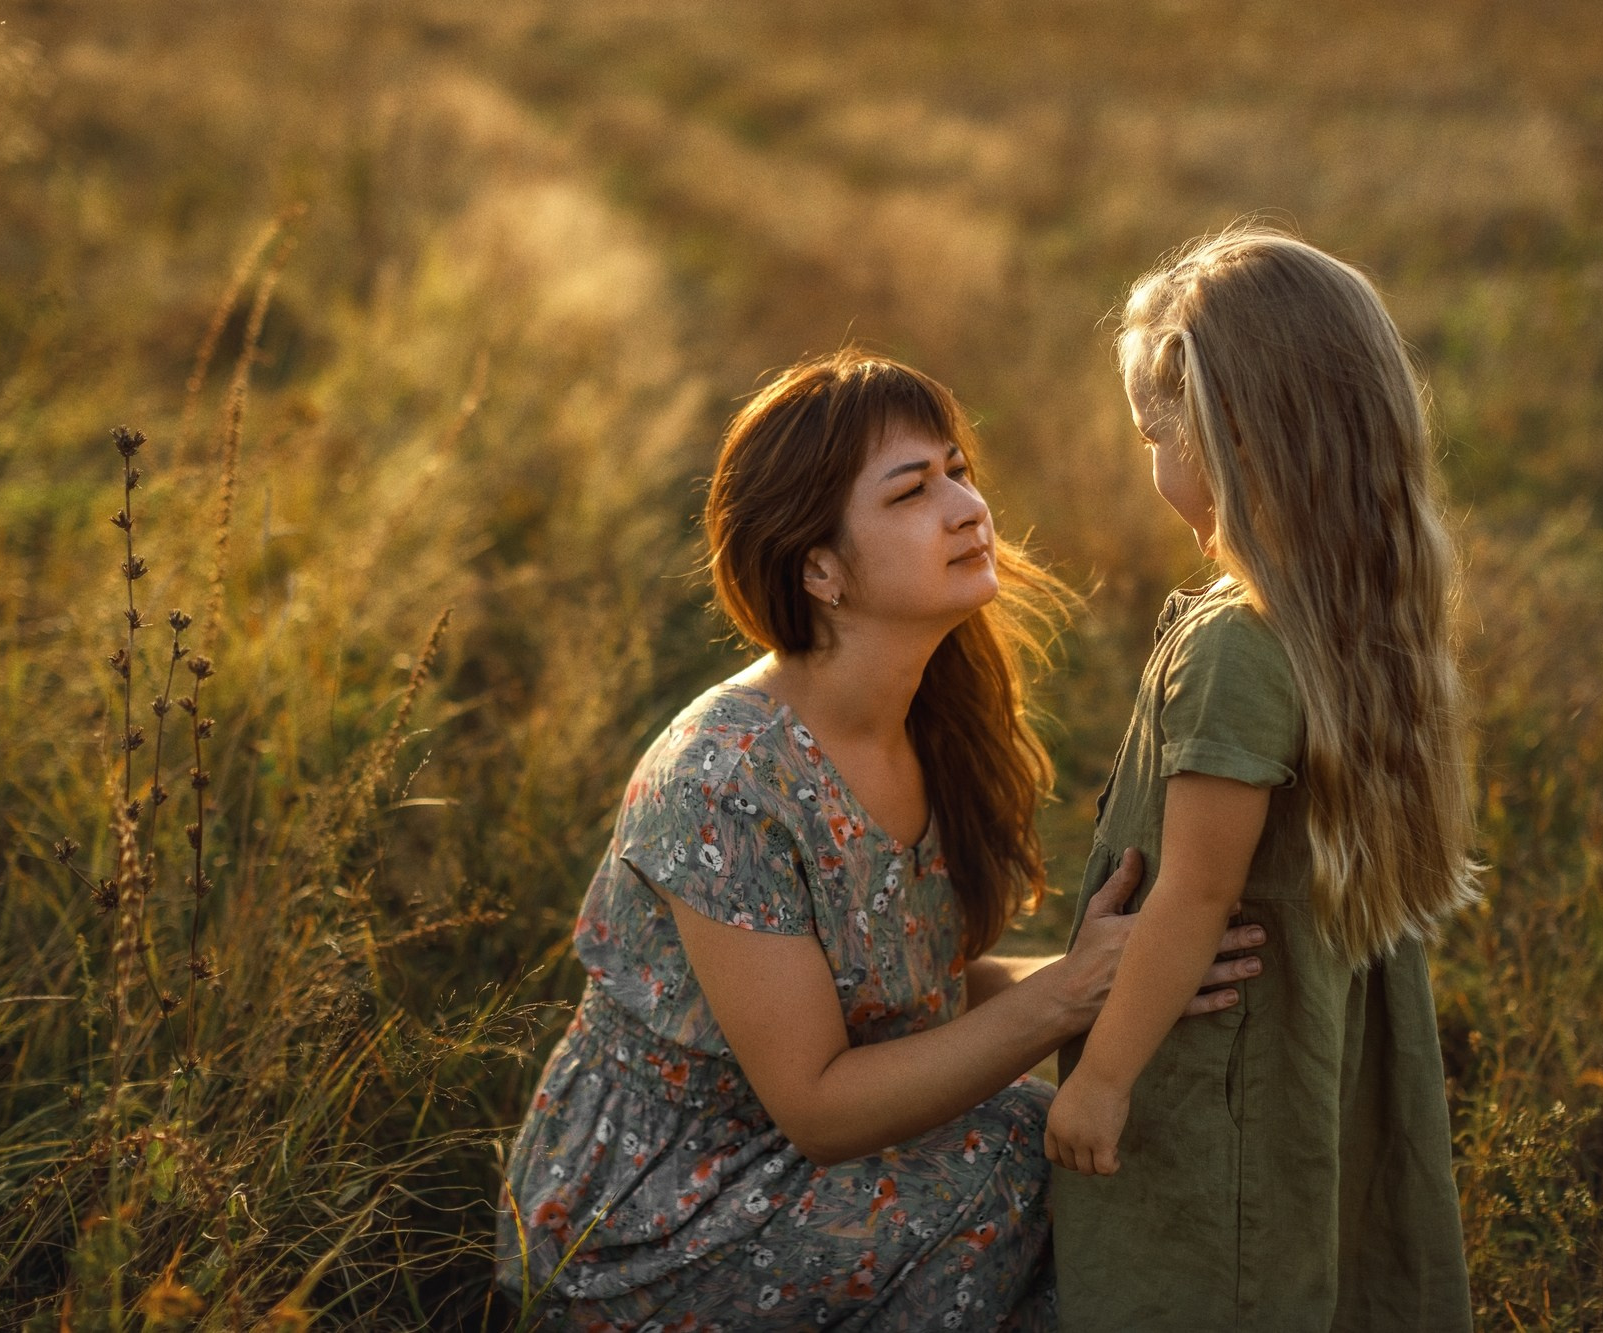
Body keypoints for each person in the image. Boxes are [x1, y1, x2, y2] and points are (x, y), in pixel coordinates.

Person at [497, 351, 1269, 1329]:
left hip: (805, 1158)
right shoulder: (724, 782)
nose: (964, 507)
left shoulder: (927, 717)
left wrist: (1123, 971)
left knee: (1110, 1137)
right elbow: (819, 1105)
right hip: (654, 1212)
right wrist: (1070, 996)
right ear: (817, 567)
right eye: (912, 491)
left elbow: (910, 995)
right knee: (1022, 1159)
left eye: (958, 471)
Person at [1045, 225, 1482, 1330]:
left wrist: (1098, 1078)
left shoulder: (1237, 643)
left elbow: (1195, 893)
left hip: (1211, 1060)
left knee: (1211, 1277)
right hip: (1305, 1038)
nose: (1149, 461)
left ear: (1231, 438)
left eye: (1154, 432)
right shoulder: (1360, 612)